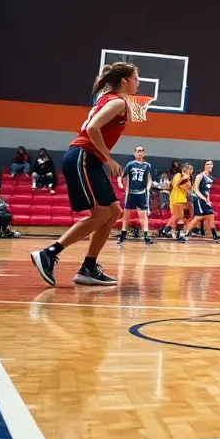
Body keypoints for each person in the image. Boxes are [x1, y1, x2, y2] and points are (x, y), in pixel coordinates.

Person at [30, 62, 140, 287]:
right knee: (100, 214)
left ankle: (88, 267)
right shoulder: (117, 101)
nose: (138, 83)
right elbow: (92, 128)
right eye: (135, 78)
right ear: (124, 81)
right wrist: (108, 158)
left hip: (90, 159)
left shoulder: (109, 98)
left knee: (113, 212)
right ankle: (49, 254)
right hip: (83, 157)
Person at [117, 145, 154, 247]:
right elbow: (121, 176)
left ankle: (146, 237)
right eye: (138, 151)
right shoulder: (131, 164)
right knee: (126, 214)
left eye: (142, 151)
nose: (140, 152)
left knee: (143, 215)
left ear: (144, 153)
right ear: (134, 153)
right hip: (131, 193)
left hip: (141, 193)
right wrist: (120, 184)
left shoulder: (147, 165)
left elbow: (149, 178)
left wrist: (148, 187)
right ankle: (122, 236)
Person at [183, 160, 220, 243]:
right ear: (204, 166)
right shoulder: (200, 176)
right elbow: (195, 189)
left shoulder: (211, 178)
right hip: (197, 198)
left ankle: (215, 235)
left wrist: (208, 201)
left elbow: (207, 192)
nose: (210, 165)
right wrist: (203, 198)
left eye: (211, 164)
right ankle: (184, 234)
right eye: (208, 164)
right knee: (198, 217)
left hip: (204, 199)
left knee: (211, 216)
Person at [168, 163, 194, 242]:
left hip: (183, 199)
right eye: (190, 169)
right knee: (177, 216)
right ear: (185, 169)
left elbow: (187, 189)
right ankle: (169, 230)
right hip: (176, 198)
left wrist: (188, 185)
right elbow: (176, 185)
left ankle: (180, 233)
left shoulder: (188, 178)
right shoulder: (179, 175)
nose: (191, 171)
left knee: (183, 217)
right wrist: (185, 180)